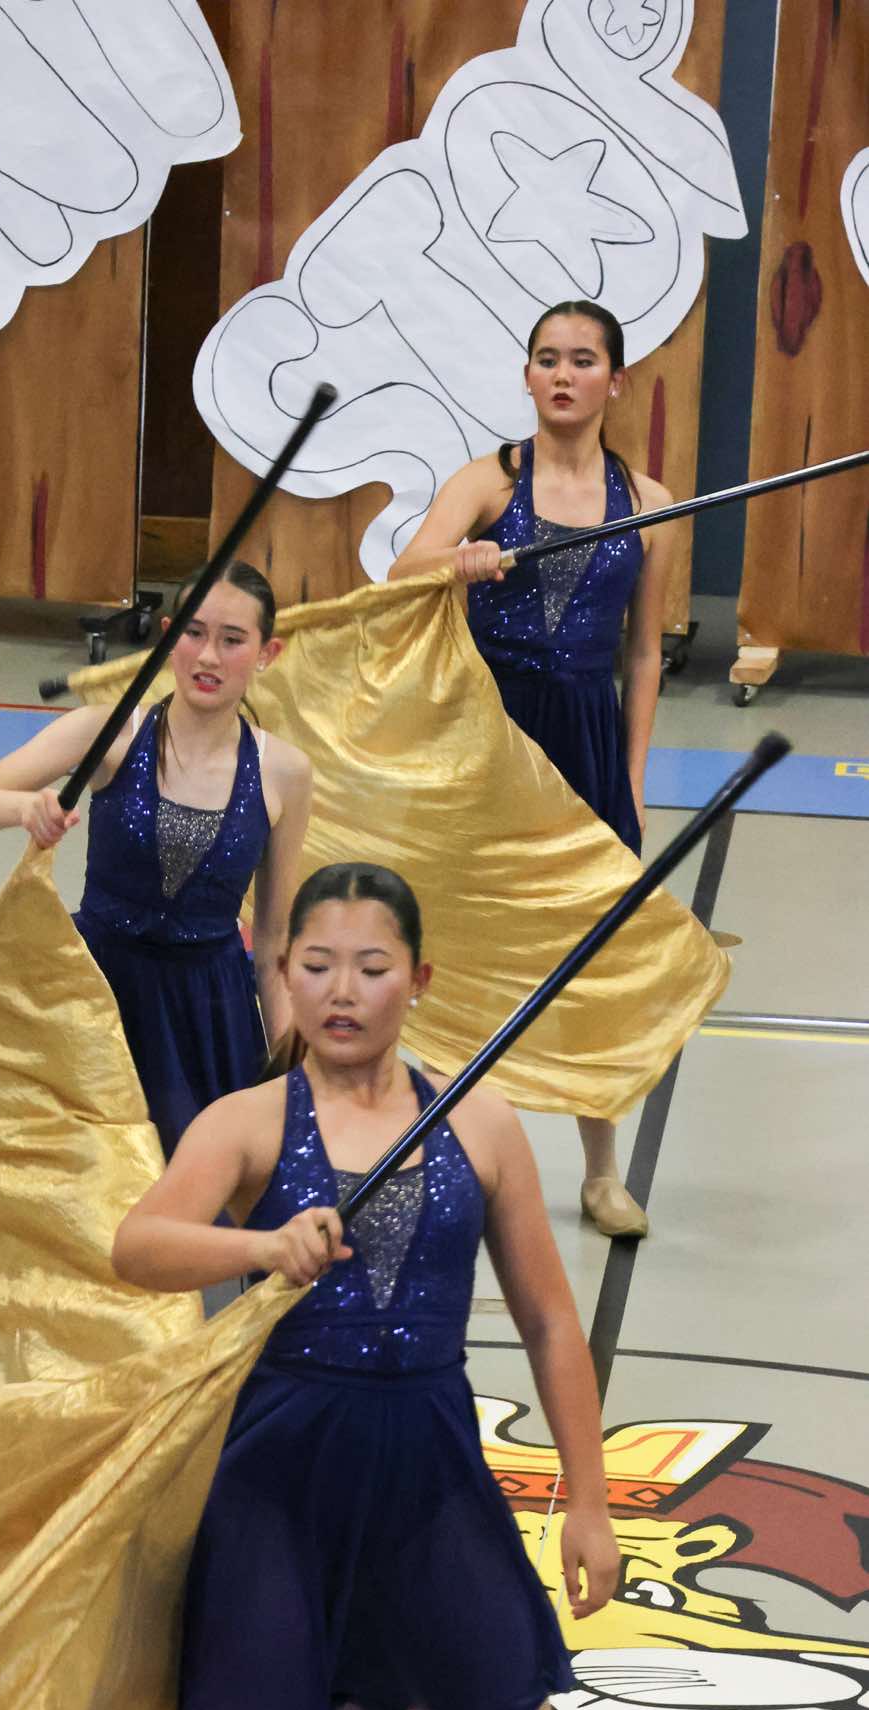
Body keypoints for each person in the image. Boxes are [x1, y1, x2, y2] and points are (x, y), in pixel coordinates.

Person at [94, 862, 643, 1710]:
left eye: (372, 966)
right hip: (277, 1484)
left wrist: (590, 1500)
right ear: (284, 975)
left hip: (430, 1481)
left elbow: (553, 1321)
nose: (342, 990)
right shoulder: (248, 1121)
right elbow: (138, 1243)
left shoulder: (483, 1124)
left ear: (420, 978)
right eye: (317, 964)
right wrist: (258, 1243)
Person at [389, 299, 672, 1239]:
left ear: (614, 381)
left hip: (585, 745)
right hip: (487, 739)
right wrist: (455, 560)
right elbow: (399, 574)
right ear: (525, 376)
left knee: (590, 961)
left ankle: (600, 1175)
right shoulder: (486, 481)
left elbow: (643, 653)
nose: (562, 374)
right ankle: (432, 1150)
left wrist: (631, 778)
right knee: (455, 944)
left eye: (582, 360)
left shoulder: (652, 505)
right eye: (546, 358)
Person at [0, 561, 313, 1157]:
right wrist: (24, 809)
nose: (208, 656)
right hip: (93, 999)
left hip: (207, 1019)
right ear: (167, 636)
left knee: (197, 1185)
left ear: (268, 653)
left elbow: (272, 947)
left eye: (232, 640)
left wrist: (301, 1076)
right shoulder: (108, 733)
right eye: (193, 632)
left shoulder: (285, 773)